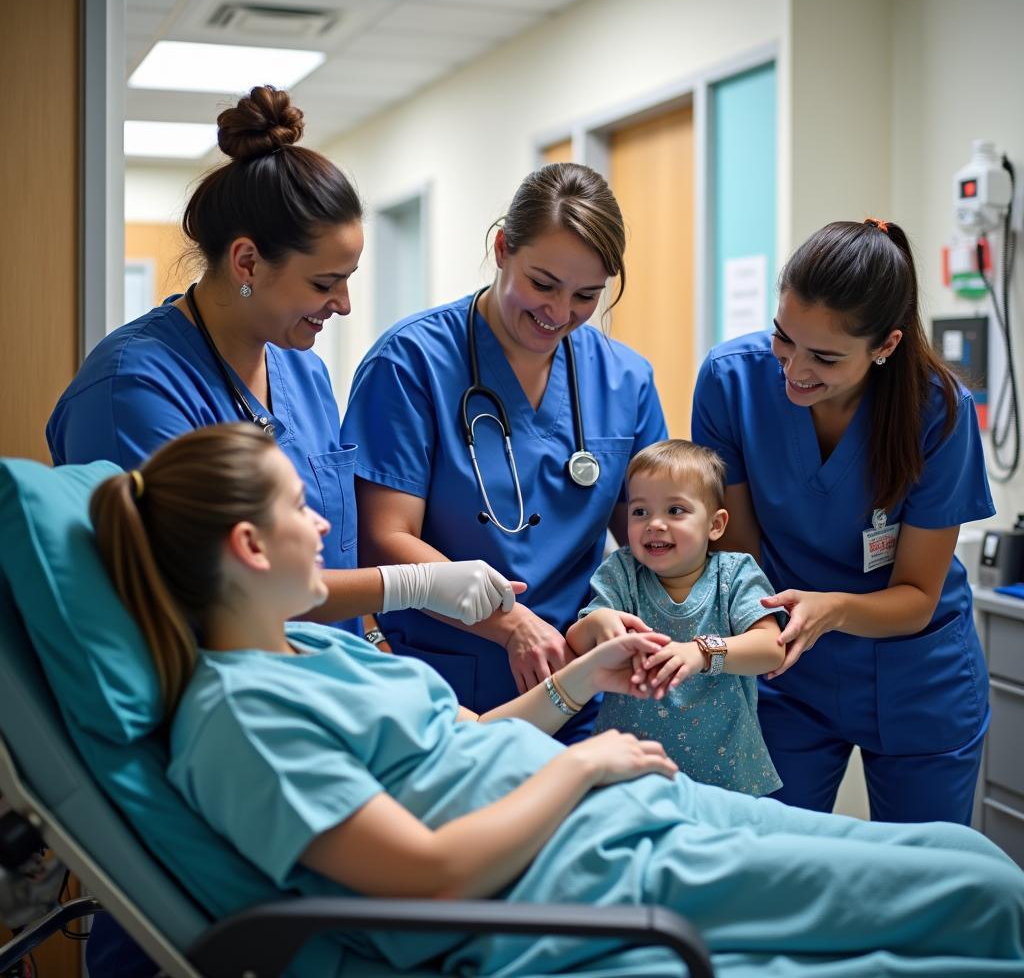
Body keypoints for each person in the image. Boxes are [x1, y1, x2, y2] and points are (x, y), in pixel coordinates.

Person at [87, 423, 1024, 978]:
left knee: (965, 859)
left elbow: (461, 746)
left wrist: (580, 684)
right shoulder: (239, 719)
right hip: (580, 875)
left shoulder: (317, 652)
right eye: (302, 508)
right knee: (978, 897)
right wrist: (582, 763)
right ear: (251, 549)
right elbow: (430, 875)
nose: (326, 524)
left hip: (628, 813)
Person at [44, 84, 519, 977]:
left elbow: (319, 549)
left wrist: (374, 641)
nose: (342, 307)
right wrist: (412, 583)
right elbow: (189, 588)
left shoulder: (297, 374)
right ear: (248, 260)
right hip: (224, 740)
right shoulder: (133, 391)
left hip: (319, 704)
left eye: (349, 282)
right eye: (325, 283)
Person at [341, 163, 668, 742]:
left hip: (580, 678)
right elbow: (382, 537)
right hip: (443, 684)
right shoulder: (411, 363)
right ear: (501, 248)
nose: (560, 313)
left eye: (586, 295)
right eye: (542, 284)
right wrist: (512, 624)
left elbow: (655, 535)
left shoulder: (625, 380)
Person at [691, 218, 995, 825]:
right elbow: (741, 559)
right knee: (775, 866)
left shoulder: (937, 412)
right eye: (784, 338)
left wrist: (832, 609)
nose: (794, 370)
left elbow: (915, 596)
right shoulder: (731, 382)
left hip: (917, 675)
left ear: (885, 346)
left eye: (825, 357)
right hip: (788, 664)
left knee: (922, 885)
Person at [566, 439, 784, 796]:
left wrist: (701, 653)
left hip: (726, 772)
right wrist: (596, 624)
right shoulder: (621, 573)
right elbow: (577, 645)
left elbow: (770, 648)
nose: (654, 524)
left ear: (715, 525)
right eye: (639, 512)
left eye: (675, 511)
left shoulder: (735, 574)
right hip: (631, 773)